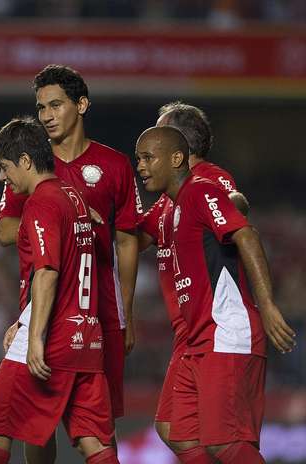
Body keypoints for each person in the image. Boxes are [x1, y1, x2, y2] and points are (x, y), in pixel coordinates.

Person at [0, 64, 140, 462]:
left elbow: (127, 241)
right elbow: (4, 229)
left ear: (81, 105)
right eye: (41, 107)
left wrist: (127, 312)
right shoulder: (32, 164)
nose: (45, 115)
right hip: (45, 307)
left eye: (55, 105)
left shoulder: (114, 165)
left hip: (102, 312)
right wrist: (68, 215)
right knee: (36, 423)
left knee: (98, 424)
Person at [135, 125, 295, 464]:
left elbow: (246, 235)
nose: (140, 166)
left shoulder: (201, 189)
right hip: (196, 339)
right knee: (180, 433)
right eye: (138, 159)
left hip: (225, 331)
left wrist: (266, 305)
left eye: (148, 157)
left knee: (227, 444)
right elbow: (133, 239)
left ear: (177, 157)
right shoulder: (172, 205)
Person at [0, 116, 118, 464]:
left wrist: (34, 337)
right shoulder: (76, 197)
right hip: (86, 338)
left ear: (25, 161)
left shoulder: (41, 202)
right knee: (93, 443)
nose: (2, 177)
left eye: (4, 167)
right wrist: (25, 319)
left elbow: (48, 272)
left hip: (51, 337)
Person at [137, 102, 241, 451]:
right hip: (186, 332)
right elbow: (137, 238)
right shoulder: (168, 198)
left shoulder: (209, 178)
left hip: (213, 324)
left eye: (159, 133)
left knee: (218, 440)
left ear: (177, 144)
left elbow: (234, 203)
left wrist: (231, 208)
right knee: (171, 428)